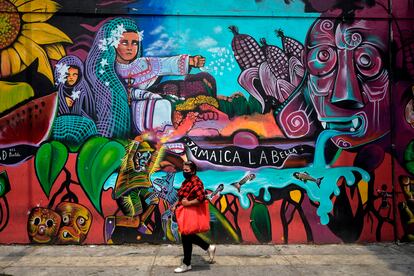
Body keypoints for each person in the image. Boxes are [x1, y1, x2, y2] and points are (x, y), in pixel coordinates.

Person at [172, 161, 216, 273]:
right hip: (185, 212)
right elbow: (181, 196)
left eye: (187, 170)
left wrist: (189, 203)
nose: (184, 172)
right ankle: (208, 247)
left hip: (190, 212)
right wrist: (176, 204)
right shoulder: (186, 181)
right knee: (187, 235)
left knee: (186, 236)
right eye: (183, 170)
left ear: (193, 171)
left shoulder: (196, 182)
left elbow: (201, 197)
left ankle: (187, 263)